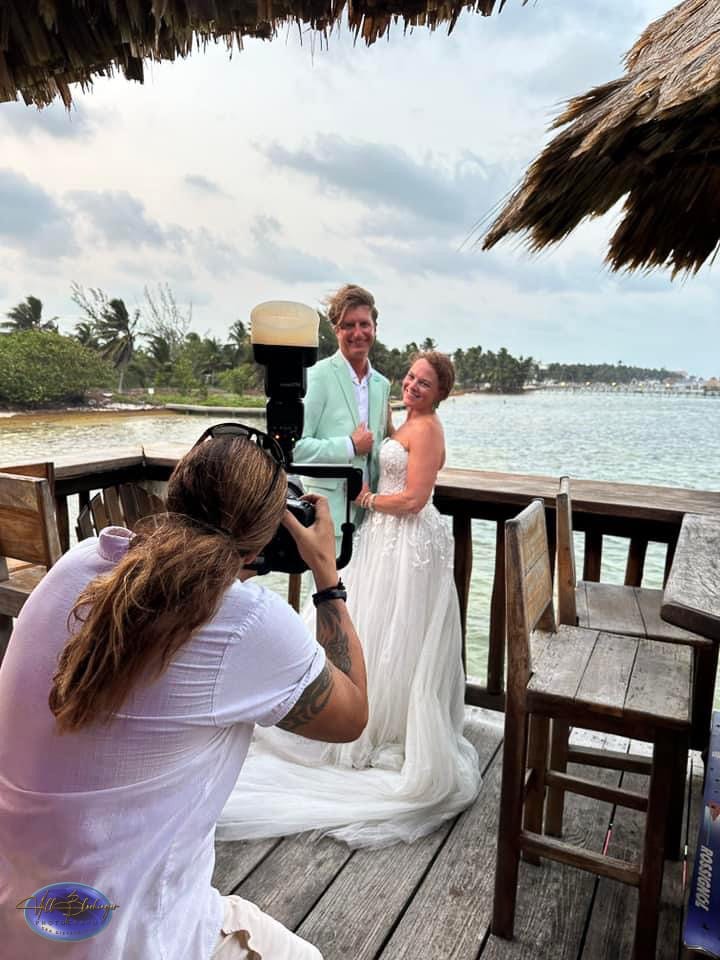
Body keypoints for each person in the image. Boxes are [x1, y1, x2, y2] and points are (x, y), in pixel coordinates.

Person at [0, 426, 368, 960]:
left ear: (175, 492)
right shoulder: (246, 624)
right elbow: (352, 715)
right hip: (127, 938)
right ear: (264, 539)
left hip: (18, 907)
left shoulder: (78, 564)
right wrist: (327, 578)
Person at [218, 352, 481, 848]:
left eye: (424, 383)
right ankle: (358, 706)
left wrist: (367, 500)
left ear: (441, 393)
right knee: (377, 621)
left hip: (409, 541)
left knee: (403, 627)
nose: (412, 385)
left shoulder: (428, 430)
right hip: (385, 538)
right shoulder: (403, 419)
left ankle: (386, 723)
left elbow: (414, 498)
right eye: (411, 377)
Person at [294, 283, 391, 545]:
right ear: (336, 330)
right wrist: (349, 445)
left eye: (364, 324)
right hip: (328, 518)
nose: (358, 333)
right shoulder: (317, 377)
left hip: (372, 521)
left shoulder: (382, 385)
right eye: (348, 325)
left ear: (374, 328)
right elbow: (294, 449)